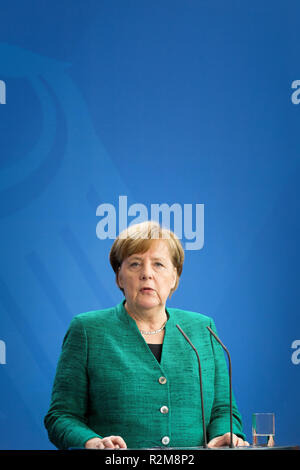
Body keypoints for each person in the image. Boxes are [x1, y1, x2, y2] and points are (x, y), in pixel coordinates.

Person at [44, 221, 249, 449]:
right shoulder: (87, 330)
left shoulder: (203, 329)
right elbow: (61, 416)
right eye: (135, 264)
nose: (147, 274)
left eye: (159, 264)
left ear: (174, 277)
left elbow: (224, 410)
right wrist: (92, 442)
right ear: (119, 277)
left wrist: (224, 434)